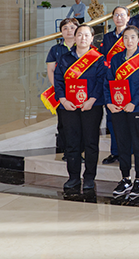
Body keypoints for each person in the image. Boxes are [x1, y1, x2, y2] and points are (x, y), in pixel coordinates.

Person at [54, 24, 105, 196]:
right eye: (80, 35)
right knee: (72, 143)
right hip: (68, 106)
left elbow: (101, 81)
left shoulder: (98, 59)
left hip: (91, 106)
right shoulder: (65, 58)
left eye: (86, 35)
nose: (83, 38)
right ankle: (73, 176)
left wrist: (92, 99)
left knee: (91, 142)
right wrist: (63, 99)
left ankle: (89, 177)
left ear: (92, 39)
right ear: (75, 38)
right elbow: (58, 80)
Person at [105, 24, 139, 201]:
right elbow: (108, 82)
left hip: (137, 109)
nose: (129, 41)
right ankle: (125, 178)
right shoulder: (115, 59)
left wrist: (134, 103)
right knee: (122, 143)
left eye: (132, 37)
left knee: (138, 144)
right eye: (125, 37)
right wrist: (109, 102)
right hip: (118, 109)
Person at [43, 17, 78, 153]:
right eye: (65, 28)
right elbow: (51, 71)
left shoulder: (84, 47)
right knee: (63, 123)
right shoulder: (55, 49)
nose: (69, 31)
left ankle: (78, 151)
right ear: (61, 32)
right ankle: (65, 151)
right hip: (62, 92)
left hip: (81, 92)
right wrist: (59, 90)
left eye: (72, 28)